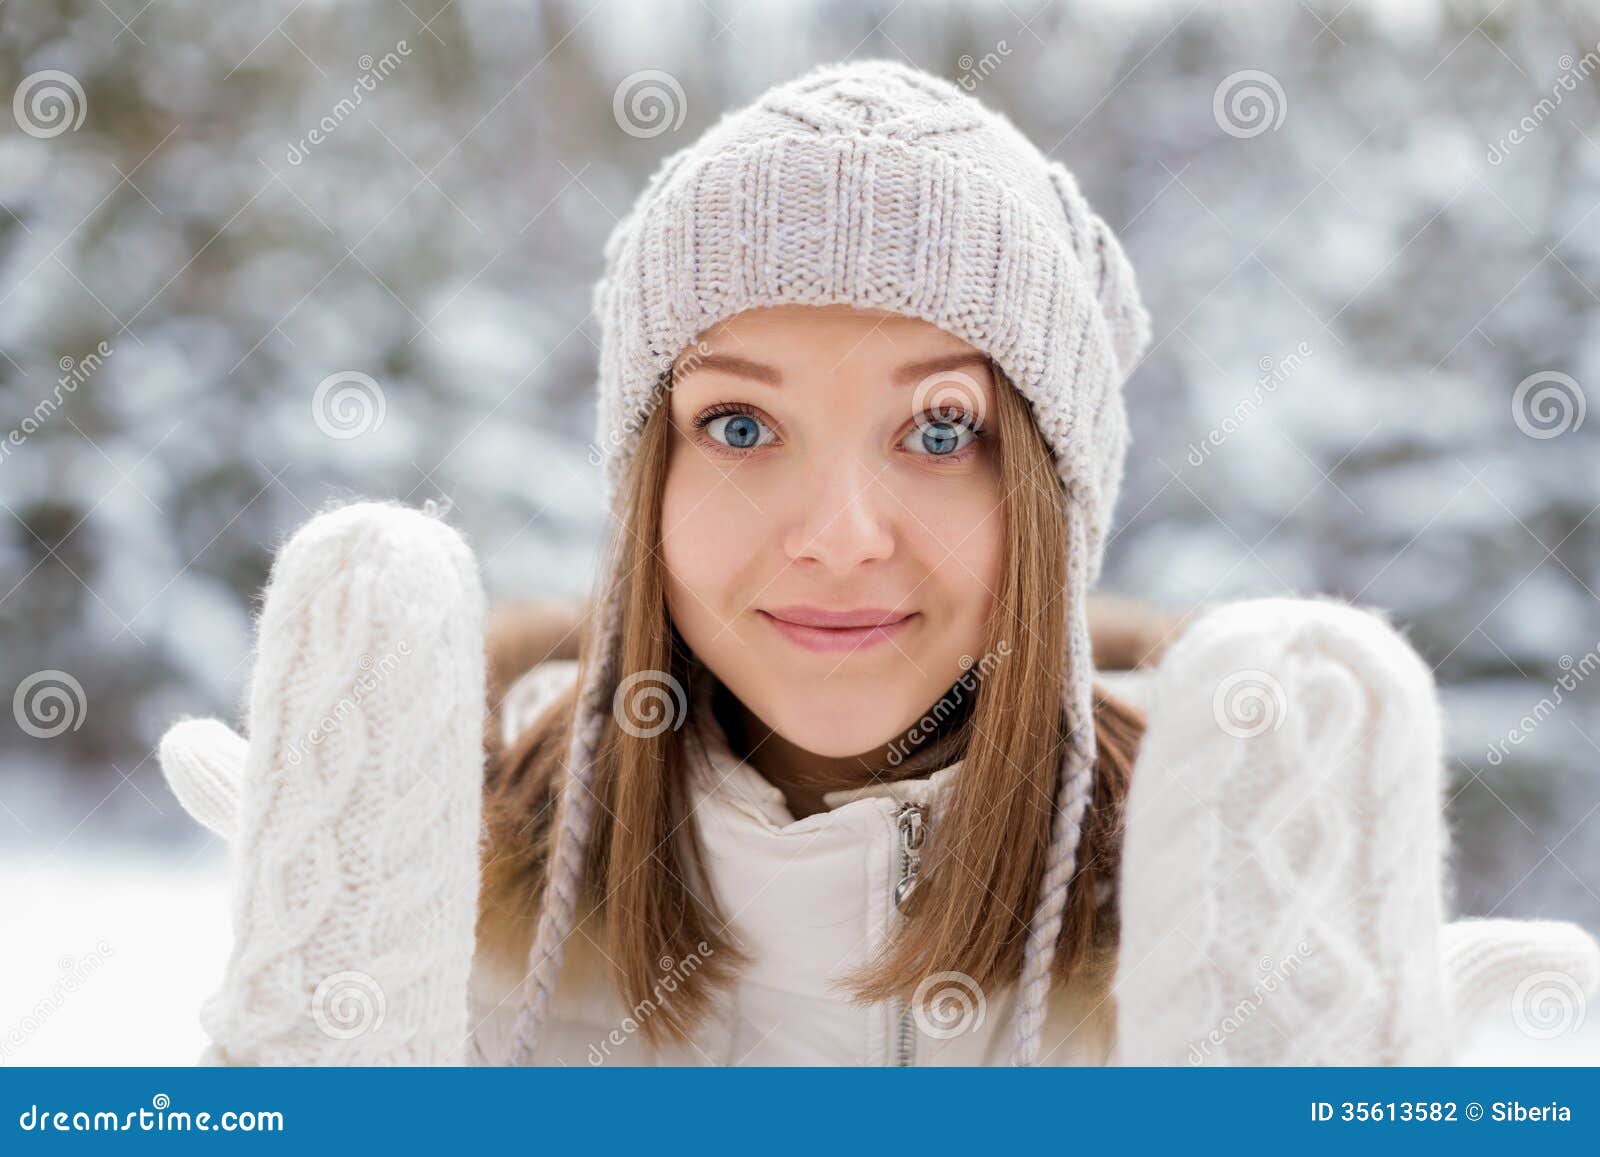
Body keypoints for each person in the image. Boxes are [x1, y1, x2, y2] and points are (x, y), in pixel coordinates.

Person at [160, 59, 1599, 1067]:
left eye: (940, 428)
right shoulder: (437, 910)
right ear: (643, 484)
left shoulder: (1223, 924)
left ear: (1053, 496)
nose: (841, 531)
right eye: (737, 421)